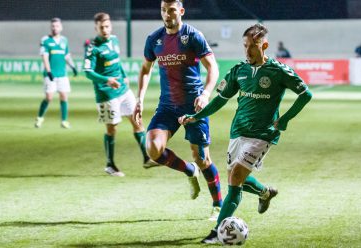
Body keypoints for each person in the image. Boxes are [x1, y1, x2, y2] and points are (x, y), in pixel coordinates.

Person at [179, 23, 312, 243]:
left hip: (263, 134)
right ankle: (265, 192)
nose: (248, 51)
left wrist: (285, 119)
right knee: (235, 178)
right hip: (238, 131)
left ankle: (217, 232)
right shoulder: (238, 71)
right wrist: (197, 116)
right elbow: (221, 100)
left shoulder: (278, 71)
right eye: (245, 46)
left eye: (253, 46)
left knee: (237, 176)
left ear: (264, 45)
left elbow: (305, 94)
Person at [134, 0, 223, 219]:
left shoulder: (193, 36)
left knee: (202, 158)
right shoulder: (154, 39)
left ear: (181, 11)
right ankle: (188, 170)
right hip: (167, 106)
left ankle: (218, 205)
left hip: (193, 106)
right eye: (163, 10)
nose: (167, 14)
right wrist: (140, 98)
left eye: (171, 10)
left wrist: (205, 95)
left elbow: (213, 67)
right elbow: (146, 69)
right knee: (153, 149)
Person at [83, 12, 157, 177]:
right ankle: (110, 165)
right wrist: (107, 79)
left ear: (111, 26)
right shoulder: (92, 47)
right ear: (96, 28)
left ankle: (147, 158)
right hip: (106, 94)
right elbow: (87, 72)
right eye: (101, 27)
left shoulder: (114, 40)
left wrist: (124, 77)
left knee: (137, 121)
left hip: (123, 90)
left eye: (107, 26)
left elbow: (117, 61)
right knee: (112, 129)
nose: (105, 30)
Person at [35, 18, 77, 129]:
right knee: (49, 97)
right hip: (51, 74)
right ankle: (40, 118)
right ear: (51, 27)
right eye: (53, 26)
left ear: (61, 27)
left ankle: (64, 121)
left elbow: (66, 55)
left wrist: (73, 67)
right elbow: (45, 56)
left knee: (64, 96)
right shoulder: (45, 40)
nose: (55, 28)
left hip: (62, 74)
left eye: (57, 26)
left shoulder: (64, 40)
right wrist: (48, 71)